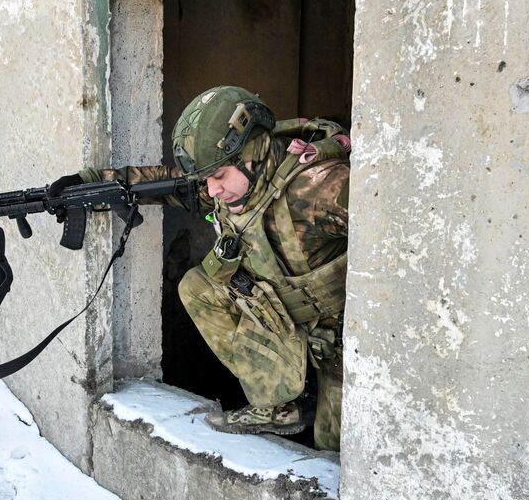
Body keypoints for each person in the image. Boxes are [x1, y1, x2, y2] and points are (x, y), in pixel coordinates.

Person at [49, 86, 350, 450]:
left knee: (332, 451)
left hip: (341, 346)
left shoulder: (319, 187)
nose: (213, 190)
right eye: (206, 179)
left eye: (219, 176)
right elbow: (160, 182)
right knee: (198, 286)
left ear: (251, 153)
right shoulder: (231, 183)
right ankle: (280, 406)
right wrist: (90, 183)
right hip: (281, 320)